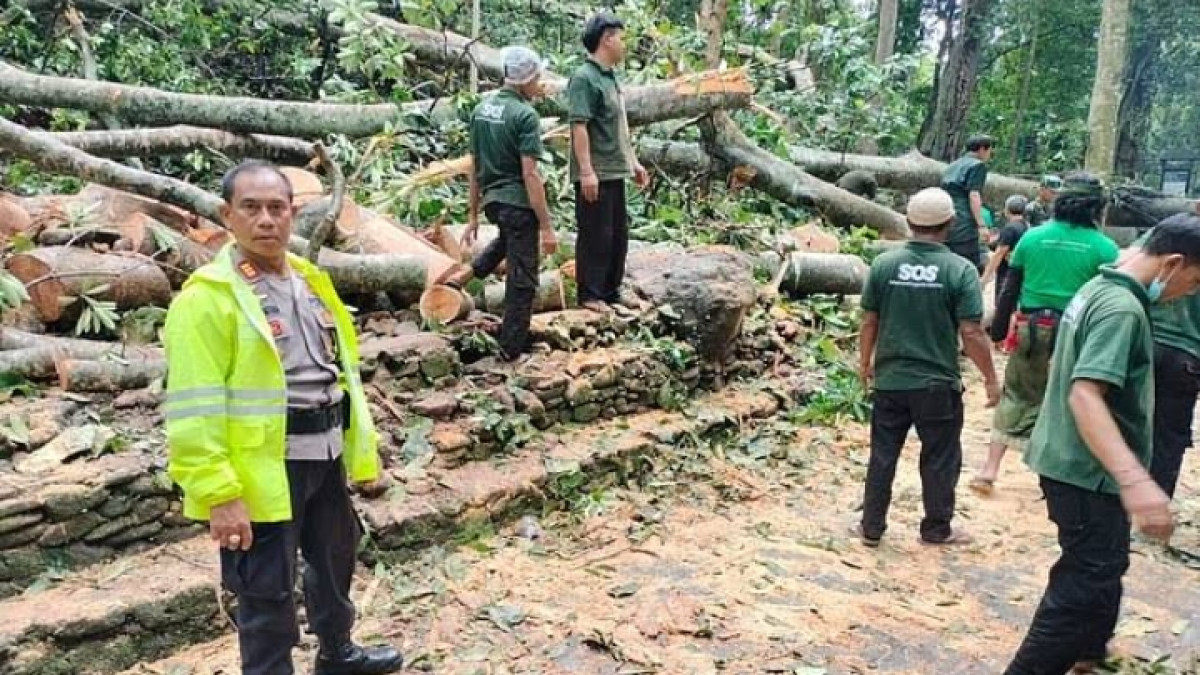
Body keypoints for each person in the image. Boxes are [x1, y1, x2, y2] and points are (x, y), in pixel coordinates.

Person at [163, 162, 403, 675]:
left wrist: (362, 449)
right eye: (251, 208)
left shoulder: (311, 281)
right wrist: (219, 493)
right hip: (262, 474)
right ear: (228, 216)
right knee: (265, 593)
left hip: (326, 455)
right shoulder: (207, 299)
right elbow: (192, 408)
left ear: (293, 214)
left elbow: (341, 375)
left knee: (335, 562)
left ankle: (337, 653)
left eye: (278, 208)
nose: (266, 219)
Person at [1002, 217, 1200, 675]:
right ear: (1172, 263)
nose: (1189, 293)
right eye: (1194, 281)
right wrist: (1137, 482)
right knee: (1083, 581)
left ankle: (1089, 651)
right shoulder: (1121, 310)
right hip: (1084, 470)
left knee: (1105, 563)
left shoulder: (1099, 286)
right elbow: (1085, 393)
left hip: (1069, 458)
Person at [855, 187, 1000, 548]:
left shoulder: (884, 265)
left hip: (891, 380)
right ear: (950, 223)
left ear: (908, 222)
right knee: (940, 457)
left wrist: (865, 364)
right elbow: (971, 331)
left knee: (883, 454)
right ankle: (936, 529)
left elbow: (869, 321)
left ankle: (871, 527)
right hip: (938, 384)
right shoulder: (960, 270)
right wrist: (991, 379)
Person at [971, 173, 1120, 493]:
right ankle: (1052, 479)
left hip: (1030, 327)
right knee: (1067, 401)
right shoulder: (1106, 249)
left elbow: (1010, 289)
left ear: (1060, 202)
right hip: (1076, 332)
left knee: (1017, 394)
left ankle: (989, 469)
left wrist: (998, 331)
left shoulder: (1033, 238)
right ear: (1096, 207)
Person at [440, 46, 556, 361]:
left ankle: (466, 274)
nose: (540, 82)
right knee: (523, 281)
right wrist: (546, 226)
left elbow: (475, 166)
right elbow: (530, 174)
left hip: (494, 202)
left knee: (507, 240)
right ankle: (510, 351)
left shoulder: (481, 110)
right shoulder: (525, 115)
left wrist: (474, 214)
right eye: (537, 77)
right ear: (525, 79)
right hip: (518, 204)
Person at [568, 11, 650, 313]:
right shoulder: (584, 78)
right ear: (607, 39)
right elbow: (579, 126)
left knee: (617, 233)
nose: (624, 44)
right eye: (620, 38)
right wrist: (586, 171)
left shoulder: (610, 78)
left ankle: (612, 290)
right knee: (595, 234)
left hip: (615, 168)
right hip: (596, 171)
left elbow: (620, 127)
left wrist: (634, 163)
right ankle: (590, 294)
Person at [1124, 215, 1200, 498]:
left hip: (1143, 337)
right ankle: (1154, 502)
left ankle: (1118, 495)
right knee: (1169, 436)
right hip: (1185, 355)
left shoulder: (1165, 235)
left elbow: (1128, 263)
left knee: (1125, 417)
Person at [941, 134, 995, 271]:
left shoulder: (952, 165)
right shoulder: (978, 166)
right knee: (967, 264)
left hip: (946, 216)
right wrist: (982, 225)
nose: (989, 154)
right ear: (982, 149)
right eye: (990, 150)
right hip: (964, 220)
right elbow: (974, 194)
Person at [980, 195, 1029, 299]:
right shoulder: (1026, 226)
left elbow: (999, 254)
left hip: (1006, 273)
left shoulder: (1010, 229)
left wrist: (985, 278)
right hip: (1021, 272)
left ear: (1007, 209)